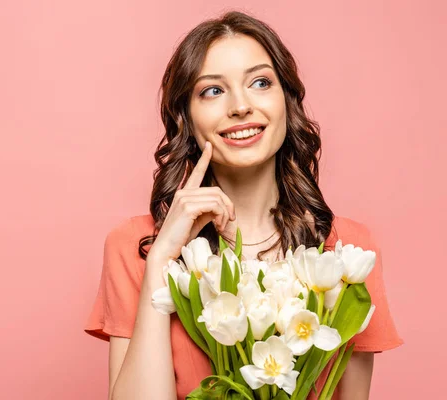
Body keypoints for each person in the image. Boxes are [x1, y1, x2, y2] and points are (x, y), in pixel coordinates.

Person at [84, 10, 403, 400]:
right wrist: (160, 262)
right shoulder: (137, 246)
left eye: (260, 82)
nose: (240, 106)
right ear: (186, 116)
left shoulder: (347, 251)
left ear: (286, 101)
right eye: (212, 91)